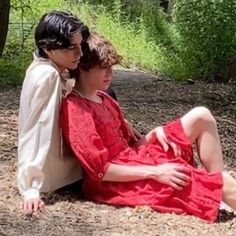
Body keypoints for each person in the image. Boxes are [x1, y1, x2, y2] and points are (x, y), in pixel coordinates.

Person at [60, 32, 236, 222]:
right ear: (84, 68)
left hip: (132, 161)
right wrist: (156, 172)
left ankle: (218, 193)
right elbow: (101, 171)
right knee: (223, 183)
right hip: (114, 182)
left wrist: (151, 135)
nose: (110, 74)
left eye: (111, 67)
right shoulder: (75, 108)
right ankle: (219, 189)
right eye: (103, 68)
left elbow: (129, 147)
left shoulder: (104, 98)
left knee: (202, 116)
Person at [17, 11, 90, 213]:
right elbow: (37, 129)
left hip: (57, 172)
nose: (80, 54)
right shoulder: (48, 75)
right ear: (48, 48)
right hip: (55, 177)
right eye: (71, 48)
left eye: (80, 46)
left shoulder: (41, 68)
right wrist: (31, 187)